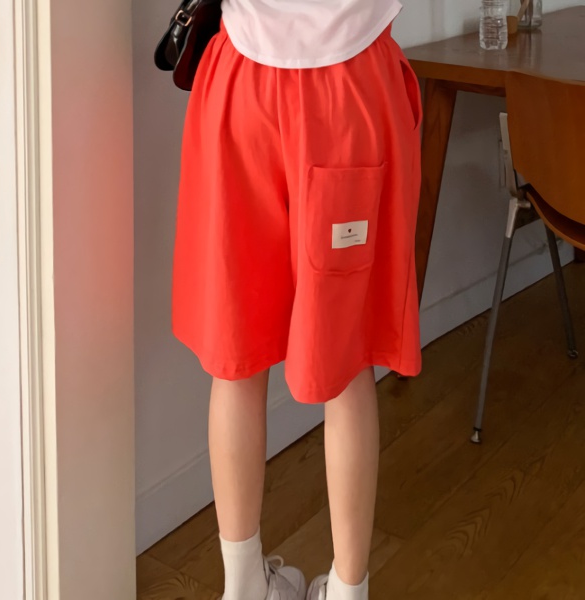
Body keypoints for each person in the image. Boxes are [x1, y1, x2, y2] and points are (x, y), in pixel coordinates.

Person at [171, 0, 423, 598]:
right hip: (352, 83)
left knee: (237, 355)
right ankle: (347, 590)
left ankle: (243, 586)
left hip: (241, 81)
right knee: (348, 357)